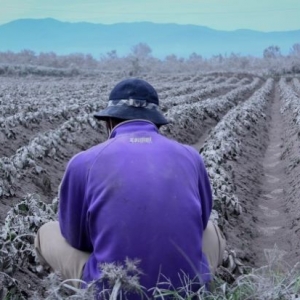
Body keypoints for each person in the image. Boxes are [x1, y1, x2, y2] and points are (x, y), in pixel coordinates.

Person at [35, 78, 226, 299]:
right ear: (156, 123)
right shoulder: (191, 156)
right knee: (212, 231)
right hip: (186, 290)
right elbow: (200, 223)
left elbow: (76, 238)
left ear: (110, 122)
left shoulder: (84, 162)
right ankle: (197, 288)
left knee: (45, 233)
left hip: (112, 290)